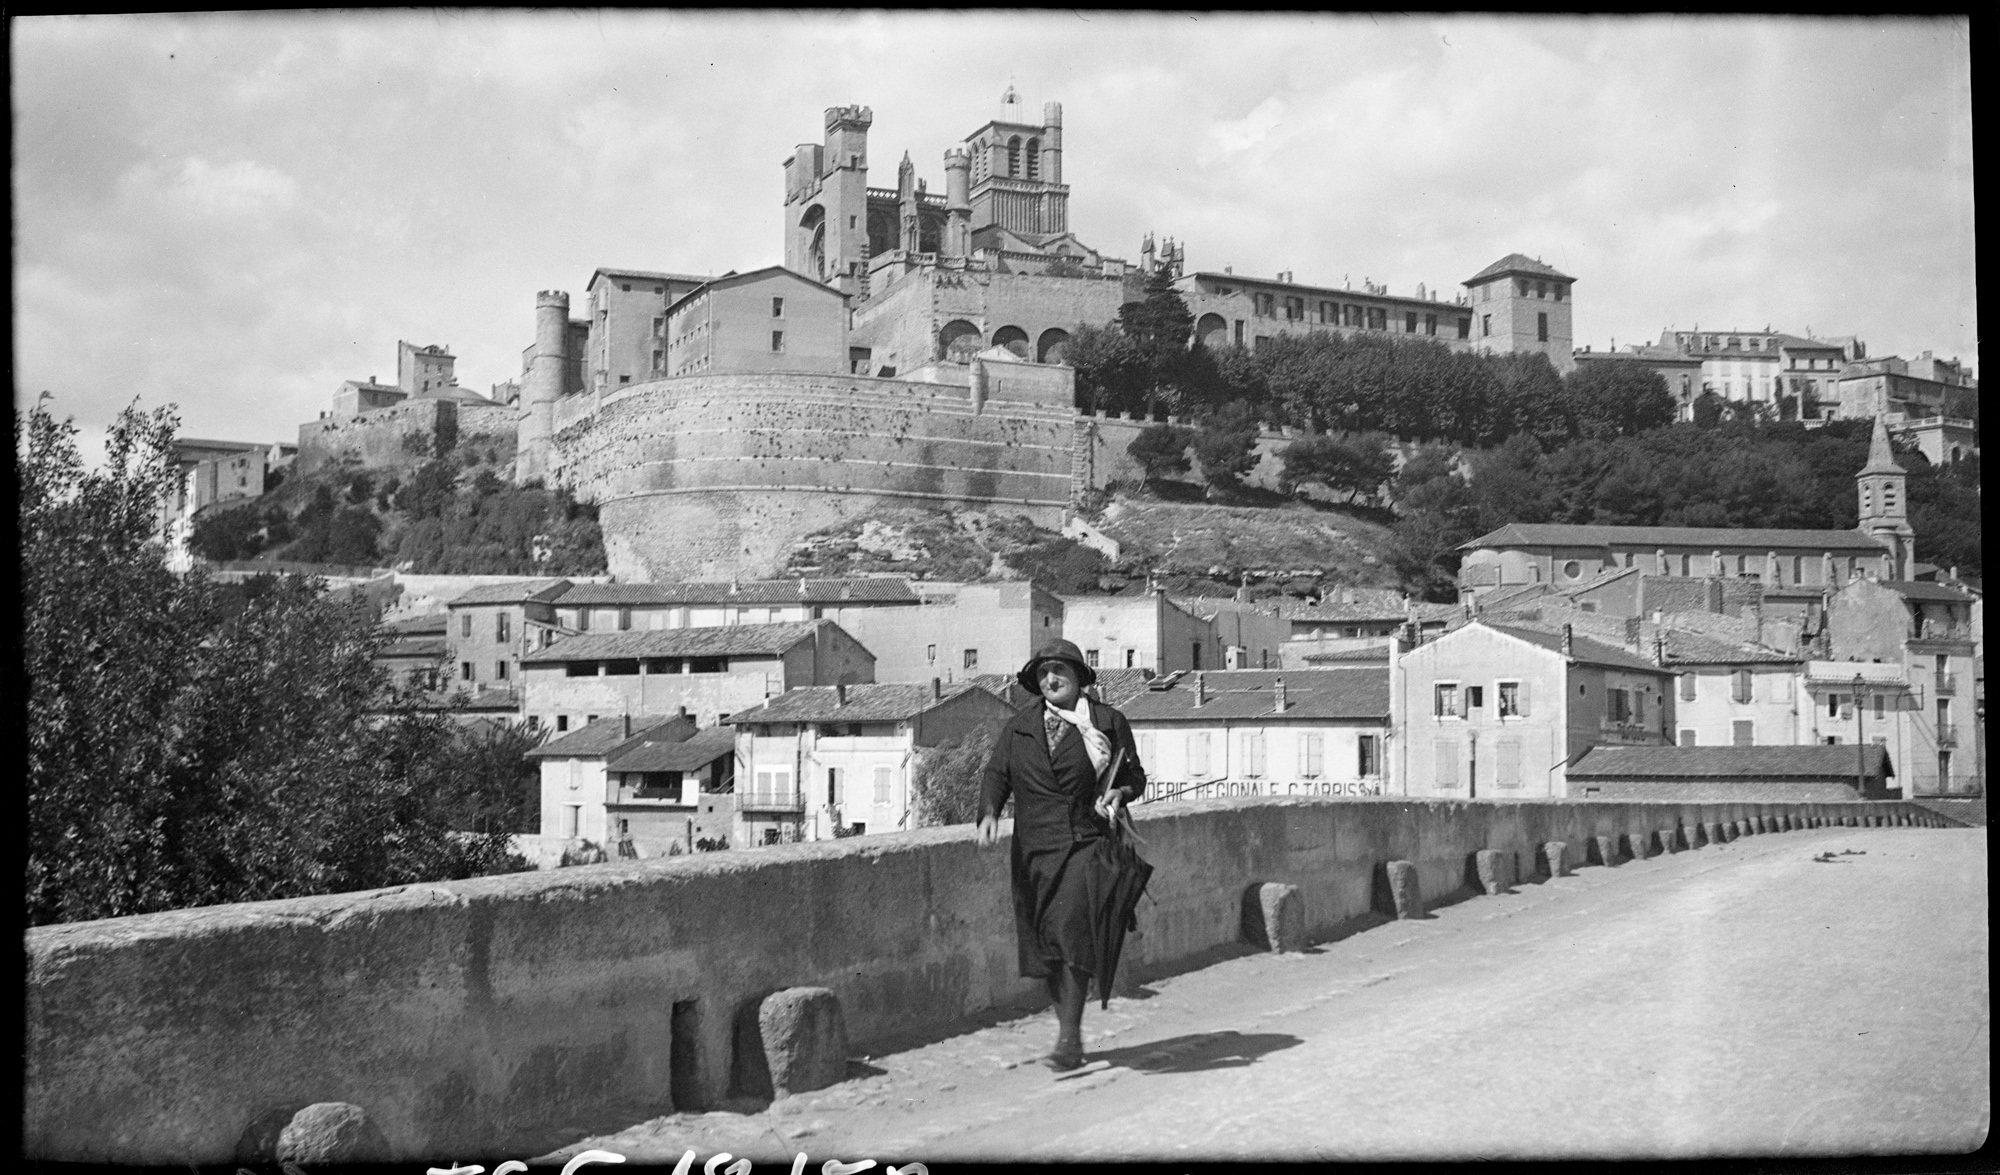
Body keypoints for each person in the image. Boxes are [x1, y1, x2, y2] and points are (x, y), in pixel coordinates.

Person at [976, 639, 1149, 1071]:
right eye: (1043, 674)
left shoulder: (1108, 723)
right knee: (1048, 943)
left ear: (1078, 677)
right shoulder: (1019, 728)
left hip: (1085, 842)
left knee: (1072, 930)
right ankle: (1068, 1031)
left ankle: (1069, 1038)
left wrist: (1120, 790)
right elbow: (997, 773)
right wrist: (988, 811)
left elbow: (1135, 777)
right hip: (1034, 850)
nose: (1051, 680)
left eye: (1060, 672)